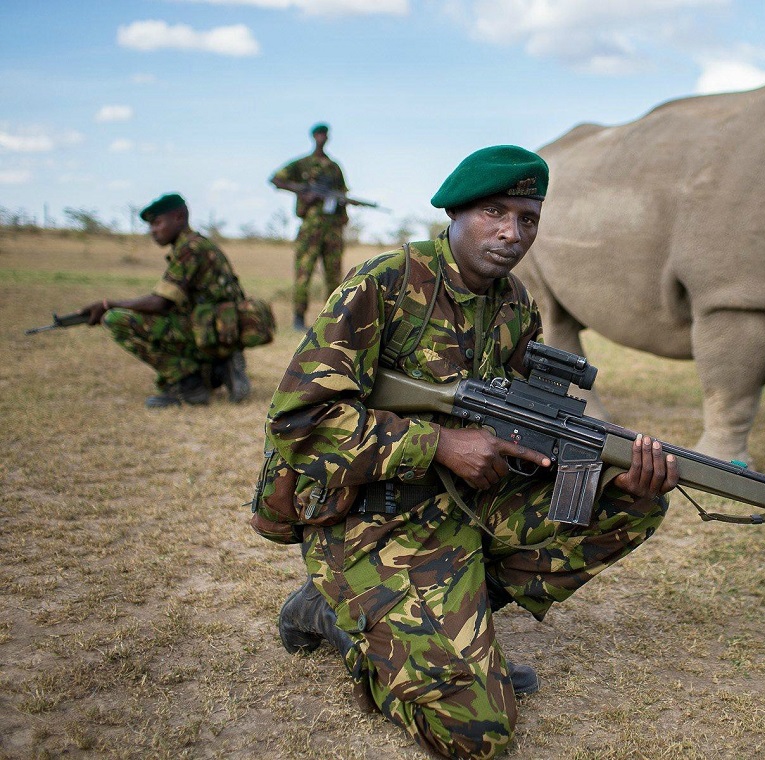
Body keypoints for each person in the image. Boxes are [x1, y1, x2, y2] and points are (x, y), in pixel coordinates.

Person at [266, 145, 678, 759]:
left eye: (529, 218)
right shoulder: (383, 286)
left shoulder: (515, 307)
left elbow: (522, 434)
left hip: (463, 508)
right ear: (455, 211)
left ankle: (459, 626)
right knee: (477, 732)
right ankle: (343, 620)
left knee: (631, 505)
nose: (514, 233)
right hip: (371, 515)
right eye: (496, 211)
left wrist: (612, 476)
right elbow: (298, 421)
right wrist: (438, 444)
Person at [81, 193, 251, 408]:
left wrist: (108, 305)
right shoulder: (199, 245)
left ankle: (189, 385)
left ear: (179, 217)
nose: (153, 230)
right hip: (217, 329)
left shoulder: (189, 249)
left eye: (157, 222)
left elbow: (160, 303)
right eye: (151, 225)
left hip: (210, 330)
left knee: (116, 319)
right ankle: (216, 368)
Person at [270, 122, 351, 332]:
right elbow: (276, 179)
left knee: (334, 274)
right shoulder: (303, 164)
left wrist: (344, 211)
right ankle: (299, 317)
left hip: (332, 229)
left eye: (325, 134)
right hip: (311, 228)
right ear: (313, 136)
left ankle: (332, 319)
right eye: (319, 134)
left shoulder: (334, 167)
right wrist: (303, 191)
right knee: (303, 271)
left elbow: (343, 193)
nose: (322, 138)